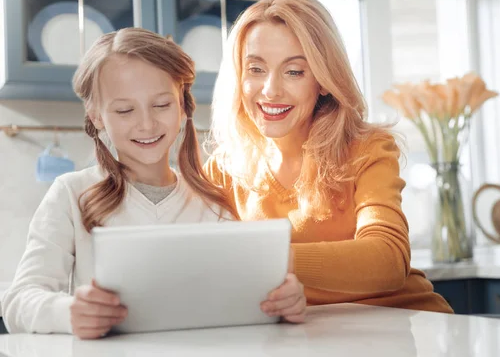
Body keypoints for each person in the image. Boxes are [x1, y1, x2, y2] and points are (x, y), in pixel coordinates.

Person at [2, 28, 305, 339]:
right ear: (96, 117)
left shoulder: (212, 204)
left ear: (183, 106)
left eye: (161, 105)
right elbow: (18, 301)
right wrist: (68, 313)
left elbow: (249, 299)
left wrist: (285, 301)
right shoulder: (70, 194)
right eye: (125, 110)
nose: (146, 124)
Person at [206, 0, 453, 313]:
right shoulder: (223, 170)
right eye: (255, 69)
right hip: (311, 334)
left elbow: (389, 260)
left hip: (406, 322)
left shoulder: (366, 149)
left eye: (294, 71)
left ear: (323, 80)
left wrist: (268, 257)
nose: (270, 90)